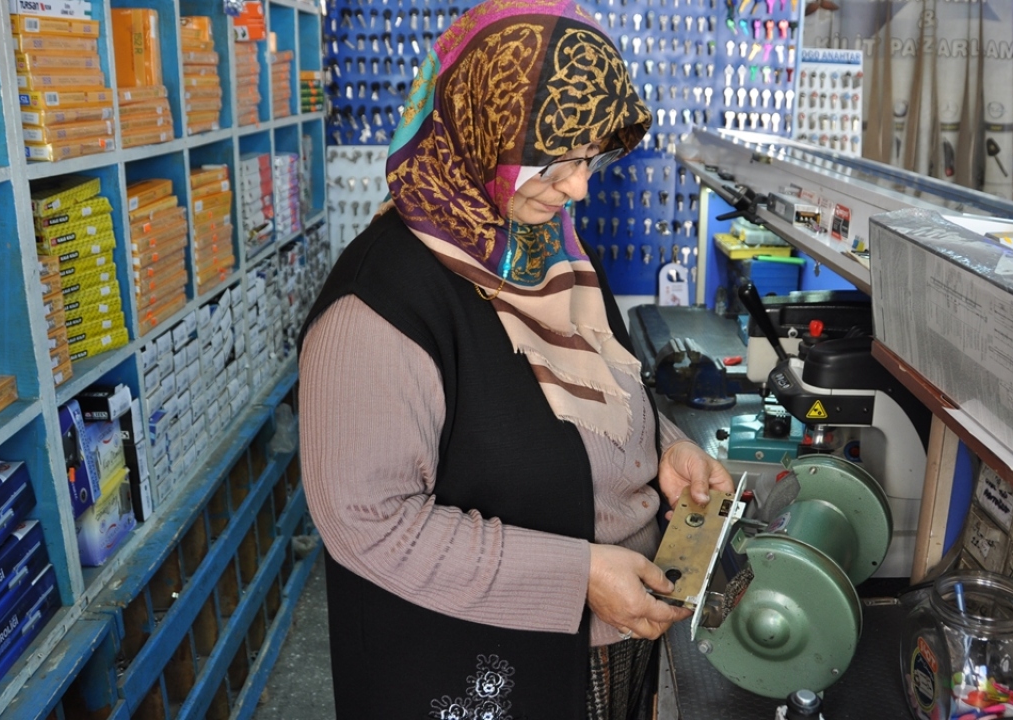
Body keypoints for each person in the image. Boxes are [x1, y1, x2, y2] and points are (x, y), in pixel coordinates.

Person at [297, 1, 733, 718]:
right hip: (478, 669)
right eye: (559, 163)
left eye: (592, 160)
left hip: (609, 646)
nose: (580, 188)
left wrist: (663, 449)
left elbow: (589, 389)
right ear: (480, 130)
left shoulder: (546, 247)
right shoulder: (376, 308)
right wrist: (578, 576)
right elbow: (368, 522)